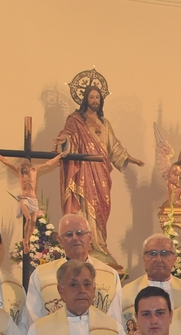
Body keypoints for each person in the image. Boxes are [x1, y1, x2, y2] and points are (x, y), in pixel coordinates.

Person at [55, 83, 144, 270]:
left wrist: (129, 158)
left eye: (97, 97)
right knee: (84, 207)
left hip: (101, 172)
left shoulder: (105, 124)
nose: (94, 100)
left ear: (101, 100)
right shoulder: (75, 120)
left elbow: (114, 146)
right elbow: (68, 135)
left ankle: (99, 245)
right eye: (91, 97)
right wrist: (66, 140)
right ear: (85, 99)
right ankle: (86, 243)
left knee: (101, 209)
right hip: (83, 172)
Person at [24, 213, 122, 326]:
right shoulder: (41, 275)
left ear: (90, 237)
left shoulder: (110, 275)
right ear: (60, 241)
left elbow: (116, 319)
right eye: (69, 234)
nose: (75, 238)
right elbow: (33, 319)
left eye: (80, 233)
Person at [0, 145, 65, 247]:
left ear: (29, 166)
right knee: (28, 219)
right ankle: (26, 241)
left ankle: (27, 239)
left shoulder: (35, 170)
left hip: (33, 199)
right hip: (24, 199)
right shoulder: (19, 171)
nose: (24, 170)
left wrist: (59, 156)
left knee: (33, 221)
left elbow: (48, 164)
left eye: (25, 168)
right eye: (22, 168)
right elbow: (6, 162)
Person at [120, 233, 181, 335]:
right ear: (144, 258)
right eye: (152, 254)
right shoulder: (125, 293)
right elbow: (114, 331)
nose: (158, 259)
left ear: (175, 258)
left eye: (165, 253)